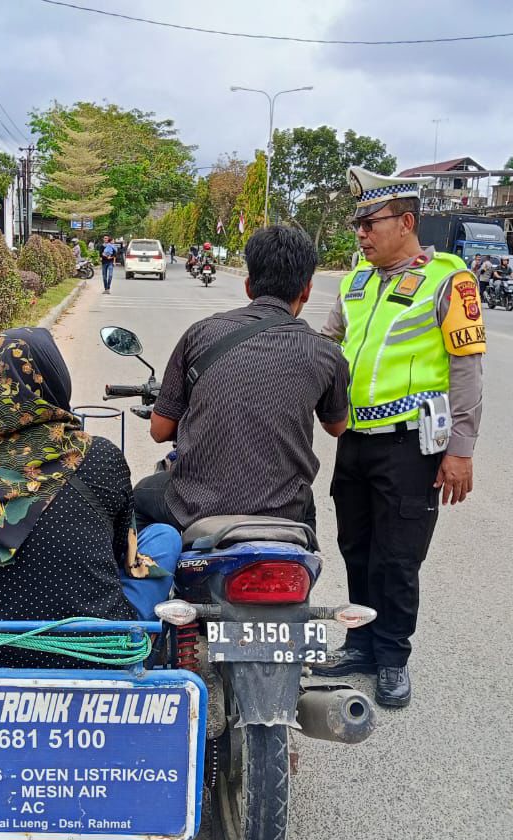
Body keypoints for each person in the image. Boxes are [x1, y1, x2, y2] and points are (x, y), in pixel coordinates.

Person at [313, 167, 485, 709]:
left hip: (412, 445)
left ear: (406, 222)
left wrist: (461, 450)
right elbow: (324, 343)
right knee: (356, 548)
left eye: (370, 223)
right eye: (357, 224)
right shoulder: (354, 282)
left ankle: (392, 657)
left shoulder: (449, 280)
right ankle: (361, 642)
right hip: (356, 441)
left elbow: (467, 368)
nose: (361, 234)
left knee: (398, 556)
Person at [0, 328, 179, 668]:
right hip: (96, 651)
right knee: (165, 537)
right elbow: (120, 553)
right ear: (53, 380)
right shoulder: (101, 455)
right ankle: (145, 642)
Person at [134, 225, 349, 532]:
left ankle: (142, 576)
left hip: (194, 508)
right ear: (307, 290)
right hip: (285, 515)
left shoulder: (201, 334)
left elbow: (160, 430)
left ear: (248, 286)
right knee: (307, 526)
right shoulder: (328, 353)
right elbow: (337, 426)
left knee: (139, 498)